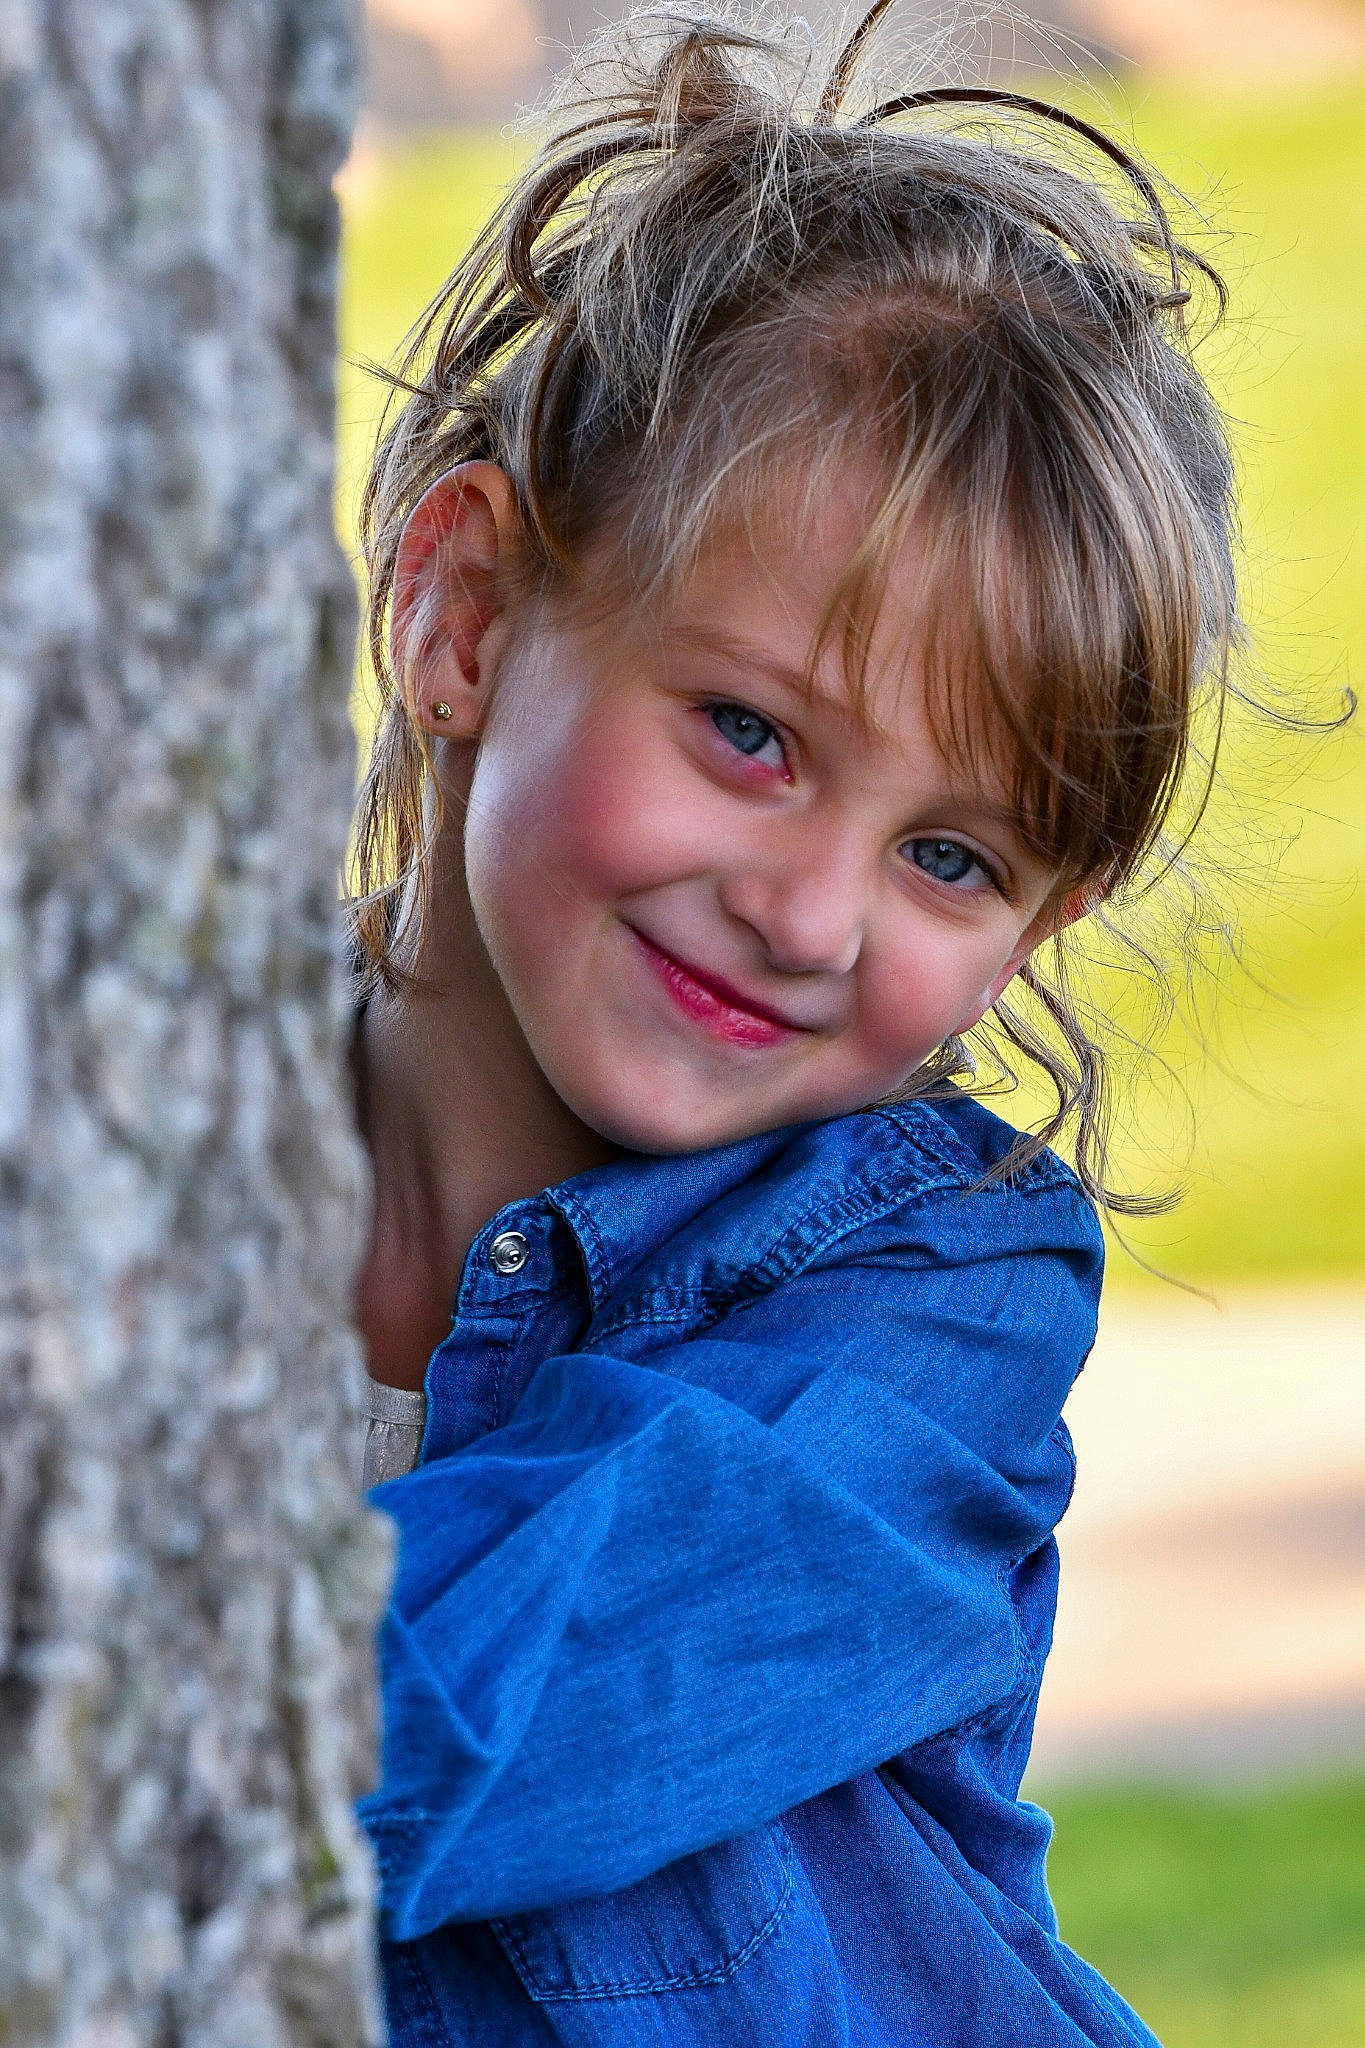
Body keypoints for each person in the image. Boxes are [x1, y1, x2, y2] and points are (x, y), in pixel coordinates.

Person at [348, 6, 1239, 2040]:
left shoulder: (930, 1295)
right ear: (464, 613)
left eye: (950, 859)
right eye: (747, 733)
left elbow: (485, 1698)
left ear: (1043, 923)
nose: (806, 911)